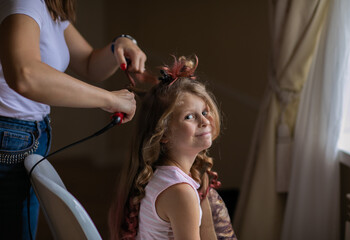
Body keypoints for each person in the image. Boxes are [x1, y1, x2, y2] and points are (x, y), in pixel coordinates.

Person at [0, 0, 146, 239]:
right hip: (10, 136)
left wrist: (120, 43)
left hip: (26, 135)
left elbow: (89, 64)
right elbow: (25, 74)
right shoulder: (26, 2)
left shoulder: (51, 10)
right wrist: (108, 99)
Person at [108, 56, 225, 239]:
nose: (204, 121)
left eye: (204, 112)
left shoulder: (161, 175)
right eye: (189, 117)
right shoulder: (181, 191)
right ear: (163, 134)